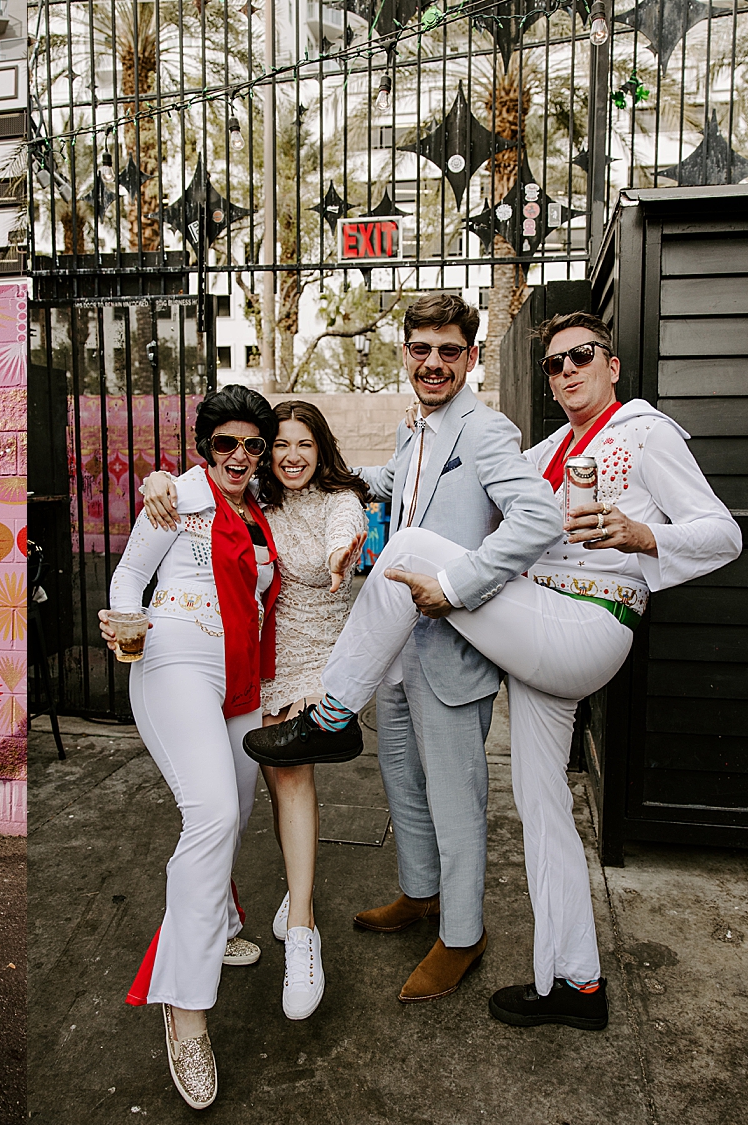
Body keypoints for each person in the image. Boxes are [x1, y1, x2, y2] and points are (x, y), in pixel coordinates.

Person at [265, 310, 742, 1030]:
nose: (568, 370)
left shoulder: (645, 431)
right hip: (539, 627)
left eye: (583, 355)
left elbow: (723, 534)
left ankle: (331, 714)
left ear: (612, 364)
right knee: (542, 806)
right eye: (555, 364)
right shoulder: (553, 446)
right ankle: (577, 985)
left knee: (408, 551)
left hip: (590, 621)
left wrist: (646, 535)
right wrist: (312, 468)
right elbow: (403, 480)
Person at [254, 294, 563, 1005]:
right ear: (406, 353)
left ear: (470, 357)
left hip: (452, 646)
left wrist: (460, 582)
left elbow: (540, 514)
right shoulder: (414, 430)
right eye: (421, 349)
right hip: (395, 646)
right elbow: (395, 489)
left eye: (448, 351)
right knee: (403, 786)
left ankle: (463, 934)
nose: (433, 363)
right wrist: (344, 496)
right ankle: (421, 896)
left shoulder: (487, 432)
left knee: (457, 802)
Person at [137, 399, 368, 1023]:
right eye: (280, 445)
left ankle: (302, 930)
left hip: (311, 664)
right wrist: (159, 479)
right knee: (230, 807)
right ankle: (221, 929)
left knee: (288, 781)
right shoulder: (251, 503)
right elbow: (189, 506)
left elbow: (346, 527)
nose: (289, 456)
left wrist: (348, 549)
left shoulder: (337, 499)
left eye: (303, 445)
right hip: (253, 666)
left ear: (321, 451)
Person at [97, 386, 280, 1110]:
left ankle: (223, 923)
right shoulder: (176, 496)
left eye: (252, 445)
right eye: (226, 443)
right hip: (174, 657)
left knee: (234, 811)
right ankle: (186, 1008)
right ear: (206, 445)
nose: (239, 456)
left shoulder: (260, 508)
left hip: (240, 675)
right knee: (209, 815)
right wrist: (125, 621)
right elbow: (126, 576)